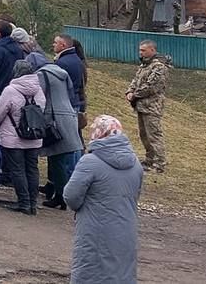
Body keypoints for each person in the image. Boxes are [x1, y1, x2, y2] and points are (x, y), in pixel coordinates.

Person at [64, 115, 144, 284]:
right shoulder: (136, 164)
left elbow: (71, 197)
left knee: (90, 272)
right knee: (121, 274)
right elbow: (135, 195)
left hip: (94, 229)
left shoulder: (89, 162)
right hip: (126, 230)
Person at [0, 61, 47, 215]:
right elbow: (42, 108)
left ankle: (23, 202)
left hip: (13, 136)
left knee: (18, 170)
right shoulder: (38, 90)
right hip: (34, 136)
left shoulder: (10, 90)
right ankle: (33, 202)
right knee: (32, 169)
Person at [38, 60, 86, 209]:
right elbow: (72, 95)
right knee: (59, 159)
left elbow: (40, 97)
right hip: (69, 116)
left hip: (54, 119)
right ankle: (57, 193)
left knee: (57, 161)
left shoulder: (42, 75)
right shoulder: (63, 75)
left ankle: (61, 196)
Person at [128, 41, 171, 173]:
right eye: (140, 50)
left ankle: (160, 163)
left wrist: (135, 95)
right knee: (144, 135)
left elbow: (152, 86)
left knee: (154, 135)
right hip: (141, 106)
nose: (141, 53)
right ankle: (149, 159)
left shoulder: (159, 67)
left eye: (144, 50)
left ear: (152, 50)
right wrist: (129, 91)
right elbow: (136, 80)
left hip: (152, 106)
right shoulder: (144, 65)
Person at [51, 33, 87, 118]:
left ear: (63, 45)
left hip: (66, 104)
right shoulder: (76, 59)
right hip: (75, 100)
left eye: (55, 43)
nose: (53, 45)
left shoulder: (62, 63)